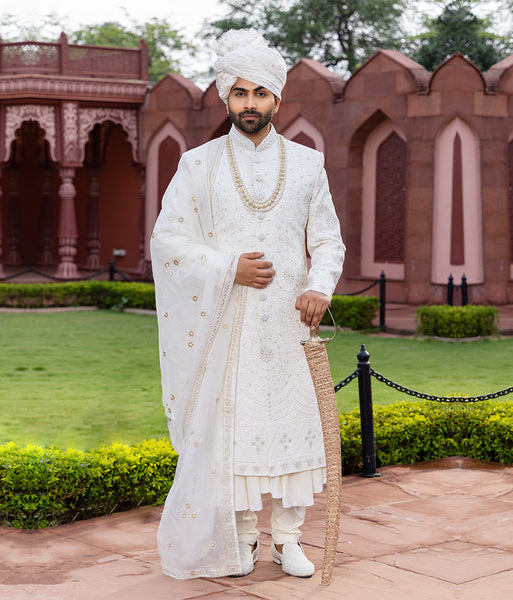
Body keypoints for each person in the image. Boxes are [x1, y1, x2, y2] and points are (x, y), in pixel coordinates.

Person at [151, 29, 345, 580]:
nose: (250, 104)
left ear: (278, 99)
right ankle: (238, 540)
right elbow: (168, 240)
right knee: (229, 432)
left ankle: (286, 539)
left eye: (261, 93)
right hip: (225, 322)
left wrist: (321, 286)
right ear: (224, 97)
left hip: (289, 323)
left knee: (291, 430)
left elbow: (327, 239)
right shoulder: (197, 165)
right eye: (240, 93)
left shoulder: (309, 165)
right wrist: (227, 268)